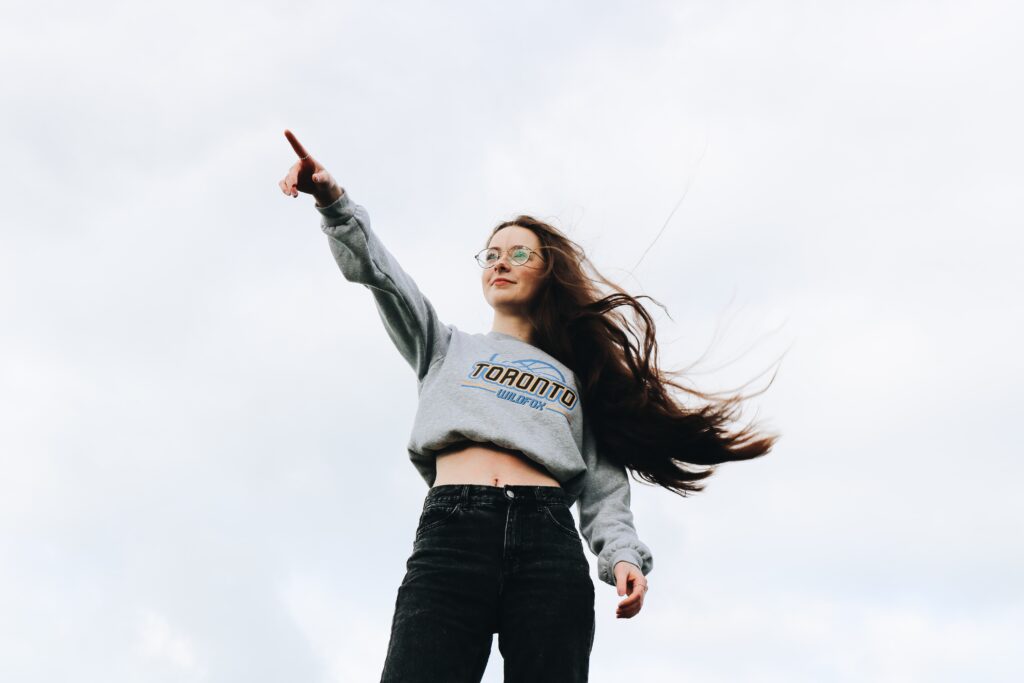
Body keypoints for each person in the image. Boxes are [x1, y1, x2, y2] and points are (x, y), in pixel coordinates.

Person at [278, 129, 779, 682]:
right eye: (491, 255)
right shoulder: (444, 346)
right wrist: (334, 203)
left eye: (519, 253)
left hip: (548, 542)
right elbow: (382, 278)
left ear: (548, 271)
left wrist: (623, 555)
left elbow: (603, 485)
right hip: (453, 533)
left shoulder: (578, 379)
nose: (501, 262)